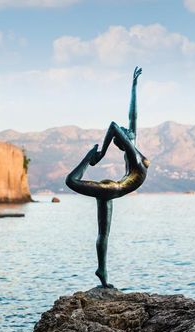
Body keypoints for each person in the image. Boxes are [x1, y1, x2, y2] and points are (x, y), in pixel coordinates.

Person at [65, 66, 150, 288]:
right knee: (70, 181)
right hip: (112, 188)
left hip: (113, 190)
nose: (128, 129)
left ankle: (102, 270)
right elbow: (114, 126)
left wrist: (134, 87)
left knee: (104, 233)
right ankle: (87, 158)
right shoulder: (134, 157)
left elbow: (133, 117)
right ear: (124, 141)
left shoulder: (135, 153)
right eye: (126, 132)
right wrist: (99, 154)